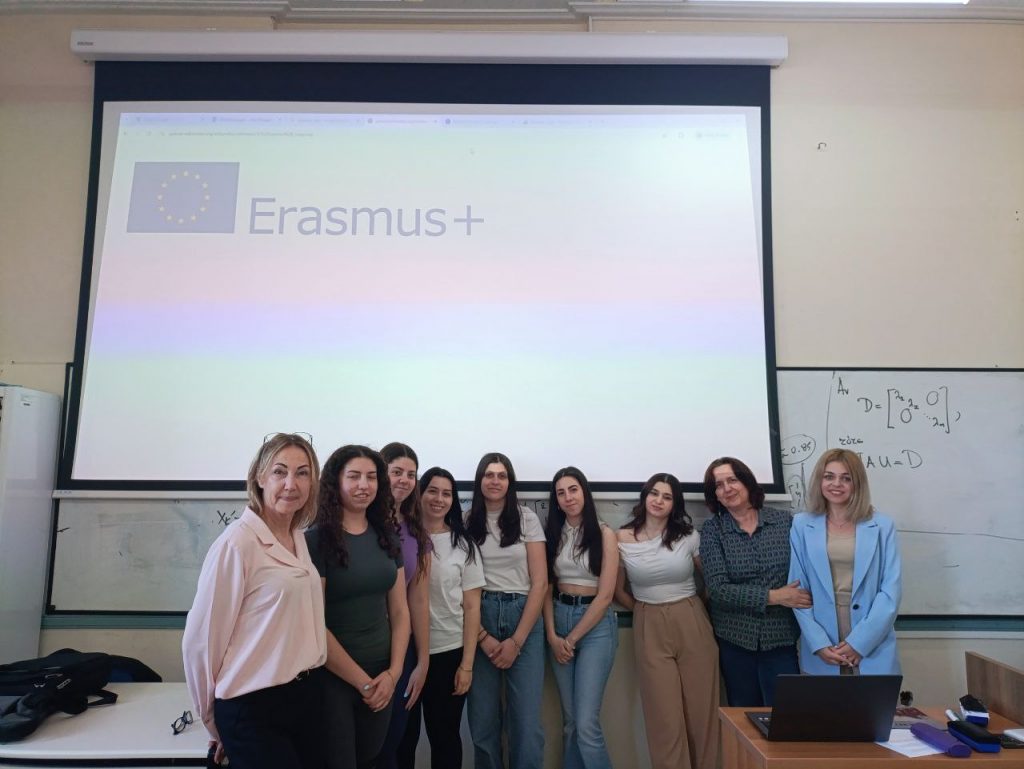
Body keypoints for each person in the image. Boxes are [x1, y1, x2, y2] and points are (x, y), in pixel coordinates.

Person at [182, 432, 326, 769]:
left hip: (304, 697)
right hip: (254, 707)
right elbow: (200, 641)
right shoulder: (237, 543)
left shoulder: (296, 536)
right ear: (259, 478)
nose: (291, 484)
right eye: (280, 472)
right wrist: (211, 719)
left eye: (302, 473)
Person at [306, 445, 411, 769]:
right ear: (335, 482)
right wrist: (363, 683)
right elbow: (314, 623)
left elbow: (400, 612)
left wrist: (393, 674)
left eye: (371, 477)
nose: (363, 485)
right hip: (334, 678)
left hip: (382, 675)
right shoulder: (316, 540)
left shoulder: (387, 537)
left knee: (371, 757)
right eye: (354, 476)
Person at [615, 473, 719, 769]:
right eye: (654, 493)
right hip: (648, 621)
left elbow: (711, 580)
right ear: (645, 496)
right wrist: (644, 610)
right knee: (663, 716)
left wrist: (694, 608)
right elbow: (617, 590)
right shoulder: (622, 538)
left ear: (675, 504)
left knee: (701, 712)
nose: (659, 501)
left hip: (690, 617)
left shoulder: (688, 536)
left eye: (667, 497)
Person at [699, 457, 808, 707]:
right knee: (743, 718)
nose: (727, 488)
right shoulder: (713, 531)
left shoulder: (785, 522)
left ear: (747, 482)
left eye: (732, 480)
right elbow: (718, 590)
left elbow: (805, 572)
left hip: (781, 638)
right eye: (719, 485)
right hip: (735, 640)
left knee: (786, 714)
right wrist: (774, 596)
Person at [465, 453, 547, 769]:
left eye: (501, 475)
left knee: (526, 723)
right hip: (480, 616)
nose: (495, 481)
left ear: (510, 482)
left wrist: (517, 641)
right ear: (480, 480)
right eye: (489, 475)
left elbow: (540, 583)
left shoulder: (527, 519)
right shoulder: (467, 519)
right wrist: (482, 637)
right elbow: (460, 585)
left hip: (523, 615)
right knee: (482, 721)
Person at [788, 448, 902, 675]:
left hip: (871, 632)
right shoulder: (801, 525)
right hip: (822, 633)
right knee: (828, 699)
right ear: (820, 481)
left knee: (873, 698)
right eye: (829, 476)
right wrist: (818, 643)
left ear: (857, 483)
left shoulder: (882, 526)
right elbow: (798, 591)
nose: (836, 484)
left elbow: (890, 591)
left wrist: (860, 643)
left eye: (846, 478)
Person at [403, 467, 484, 769]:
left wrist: (467, 665)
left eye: (447, 493)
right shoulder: (402, 538)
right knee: (403, 740)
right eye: (432, 491)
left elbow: (472, 607)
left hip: (448, 652)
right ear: (419, 494)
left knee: (445, 738)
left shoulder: (464, 544)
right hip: (406, 652)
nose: (439, 499)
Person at [542, 467, 619, 769]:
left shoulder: (604, 534)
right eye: (561, 493)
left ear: (584, 492)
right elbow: (546, 587)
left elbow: (606, 596)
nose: (568, 498)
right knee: (571, 722)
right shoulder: (552, 534)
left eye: (573, 490)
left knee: (586, 724)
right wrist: (552, 636)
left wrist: (571, 639)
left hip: (596, 627)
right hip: (559, 618)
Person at [377, 443, 431, 769]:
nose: (404, 480)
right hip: (363, 644)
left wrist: (422, 660)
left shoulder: (415, 529)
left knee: (394, 741)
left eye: (411, 474)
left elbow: (419, 600)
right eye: (396, 472)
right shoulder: (361, 522)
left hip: (402, 646)